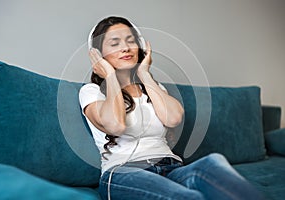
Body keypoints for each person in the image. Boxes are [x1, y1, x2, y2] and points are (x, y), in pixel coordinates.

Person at [79, 16, 264, 200]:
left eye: (130, 41)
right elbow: (115, 125)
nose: (126, 48)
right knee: (188, 197)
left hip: (172, 167)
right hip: (124, 173)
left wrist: (144, 74)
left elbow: (173, 118)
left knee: (213, 162)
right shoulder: (91, 92)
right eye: (115, 43)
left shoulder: (154, 88)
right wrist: (110, 76)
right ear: (97, 54)